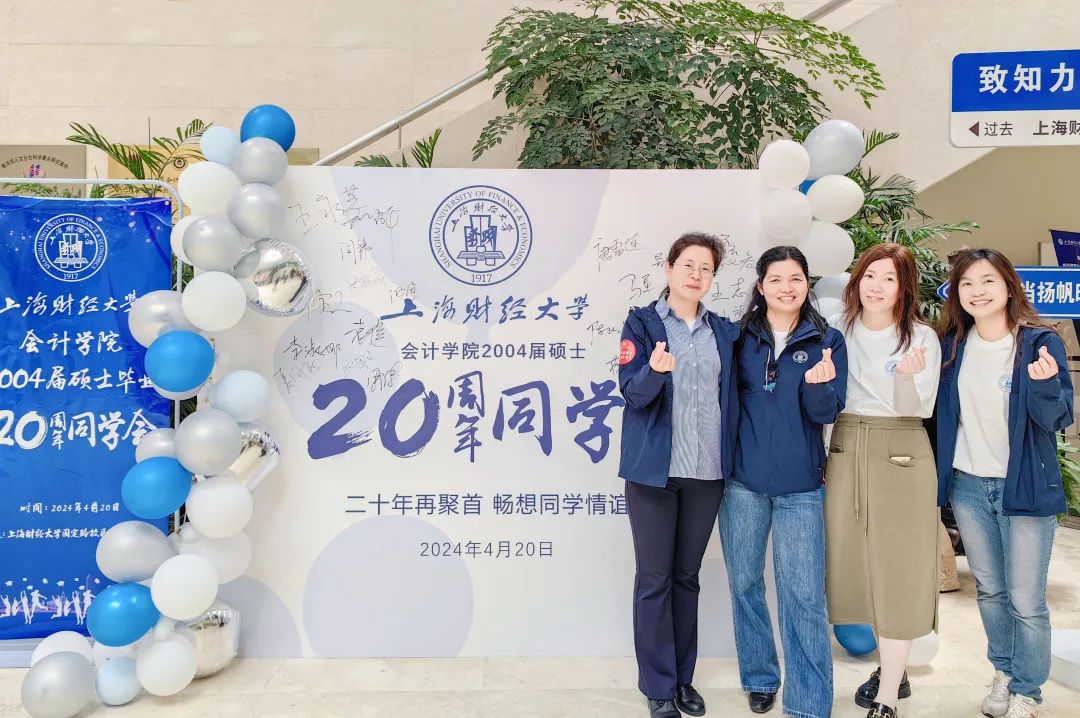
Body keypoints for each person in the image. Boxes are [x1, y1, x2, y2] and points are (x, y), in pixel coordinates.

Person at [936, 248, 1073, 718]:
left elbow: (1059, 419)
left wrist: (1046, 386)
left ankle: (1028, 692)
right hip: (968, 486)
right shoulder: (953, 346)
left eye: (988, 281)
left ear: (1009, 286)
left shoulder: (1039, 343)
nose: (977, 291)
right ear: (957, 293)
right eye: (967, 283)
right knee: (991, 591)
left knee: (1026, 600)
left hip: (1025, 486)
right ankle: (1005, 672)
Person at [719, 245, 846, 718]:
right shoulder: (737, 338)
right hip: (742, 484)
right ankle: (759, 677)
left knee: (804, 595)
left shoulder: (827, 340)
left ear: (807, 284)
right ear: (760, 286)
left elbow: (826, 414)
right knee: (745, 583)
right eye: (775, 279)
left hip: (801, 489)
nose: (786, 288)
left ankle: (809, 702)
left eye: (795, 279)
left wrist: (819, 386)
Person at [617, 232, 740, 718]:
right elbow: (633, 395)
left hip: (706, 473)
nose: (696, 275)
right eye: (688, 265)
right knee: (654, 579)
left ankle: (683, 679)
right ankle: (658, 685)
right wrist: (654, 370)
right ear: (669, 268)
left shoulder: (723, 332)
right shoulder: (643, 323)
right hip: (654, 474)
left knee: (687, 578)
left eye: (706, 268)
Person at [823, 244, 942, 718]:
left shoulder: (920, 337)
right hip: (845, 444)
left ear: (904, 287)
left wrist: (905, 378)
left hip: (903, 446)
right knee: (852, 564)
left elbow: (916, 410)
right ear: (856, 280)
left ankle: (888, 695)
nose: (877, 286)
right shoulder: (837, 328)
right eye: (870, 275)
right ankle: (894, 671)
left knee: (899, 569)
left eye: (889, 278)